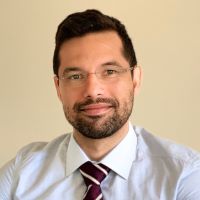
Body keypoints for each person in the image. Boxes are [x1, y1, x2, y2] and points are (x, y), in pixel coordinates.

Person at [0, 9, 200, 200]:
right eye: (76, 76)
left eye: (110, 71)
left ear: (135, 79)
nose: (93, 90)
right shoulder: (21, 174)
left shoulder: (184, 175)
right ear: (58, 87)